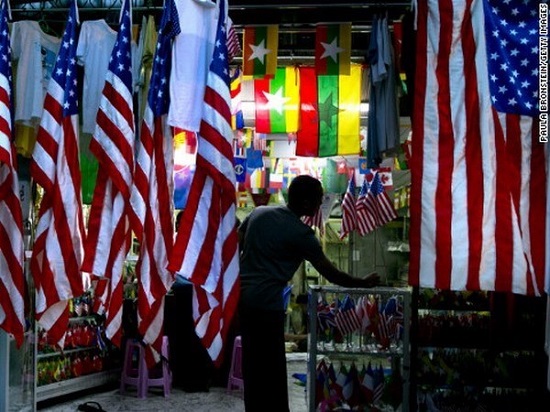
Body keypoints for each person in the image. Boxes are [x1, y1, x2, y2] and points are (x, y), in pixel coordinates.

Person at [238, 174, 379, 412]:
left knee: (253, 367)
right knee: (272, 368)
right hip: (267, 305)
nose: (319, 206)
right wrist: (363, 283)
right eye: (317, 200)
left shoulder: (259, 213)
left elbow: (236, 243)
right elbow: (332, 273)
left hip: (244, 300)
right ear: (306, 203)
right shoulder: (301, 234)